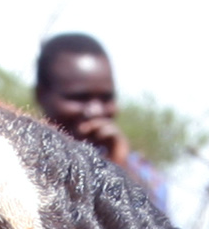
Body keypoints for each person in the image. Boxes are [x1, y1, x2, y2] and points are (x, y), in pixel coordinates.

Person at [33, 33, 171, 212]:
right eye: (79, 98)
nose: (96, 111)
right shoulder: (17, 164)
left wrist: (118, 166)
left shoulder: (143, 174)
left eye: (106, 98)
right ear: (42, 96)